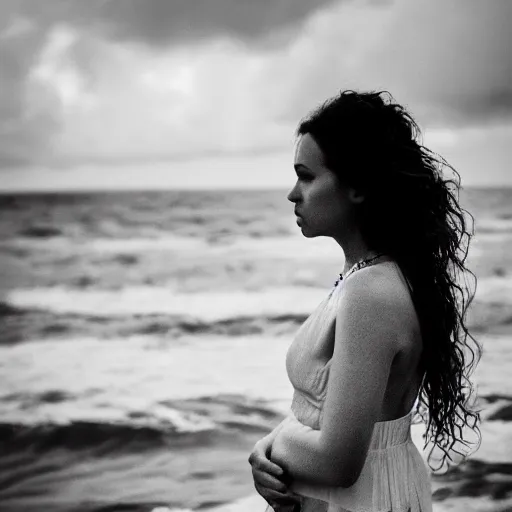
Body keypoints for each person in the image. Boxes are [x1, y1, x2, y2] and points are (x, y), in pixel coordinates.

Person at [248, 90, 482, 512]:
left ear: (356, 186)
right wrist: (274, 445)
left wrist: (274, 444)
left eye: (306, 176)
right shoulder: (373, 278)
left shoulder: (370, 292)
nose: (293, 194)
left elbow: (338, 461)